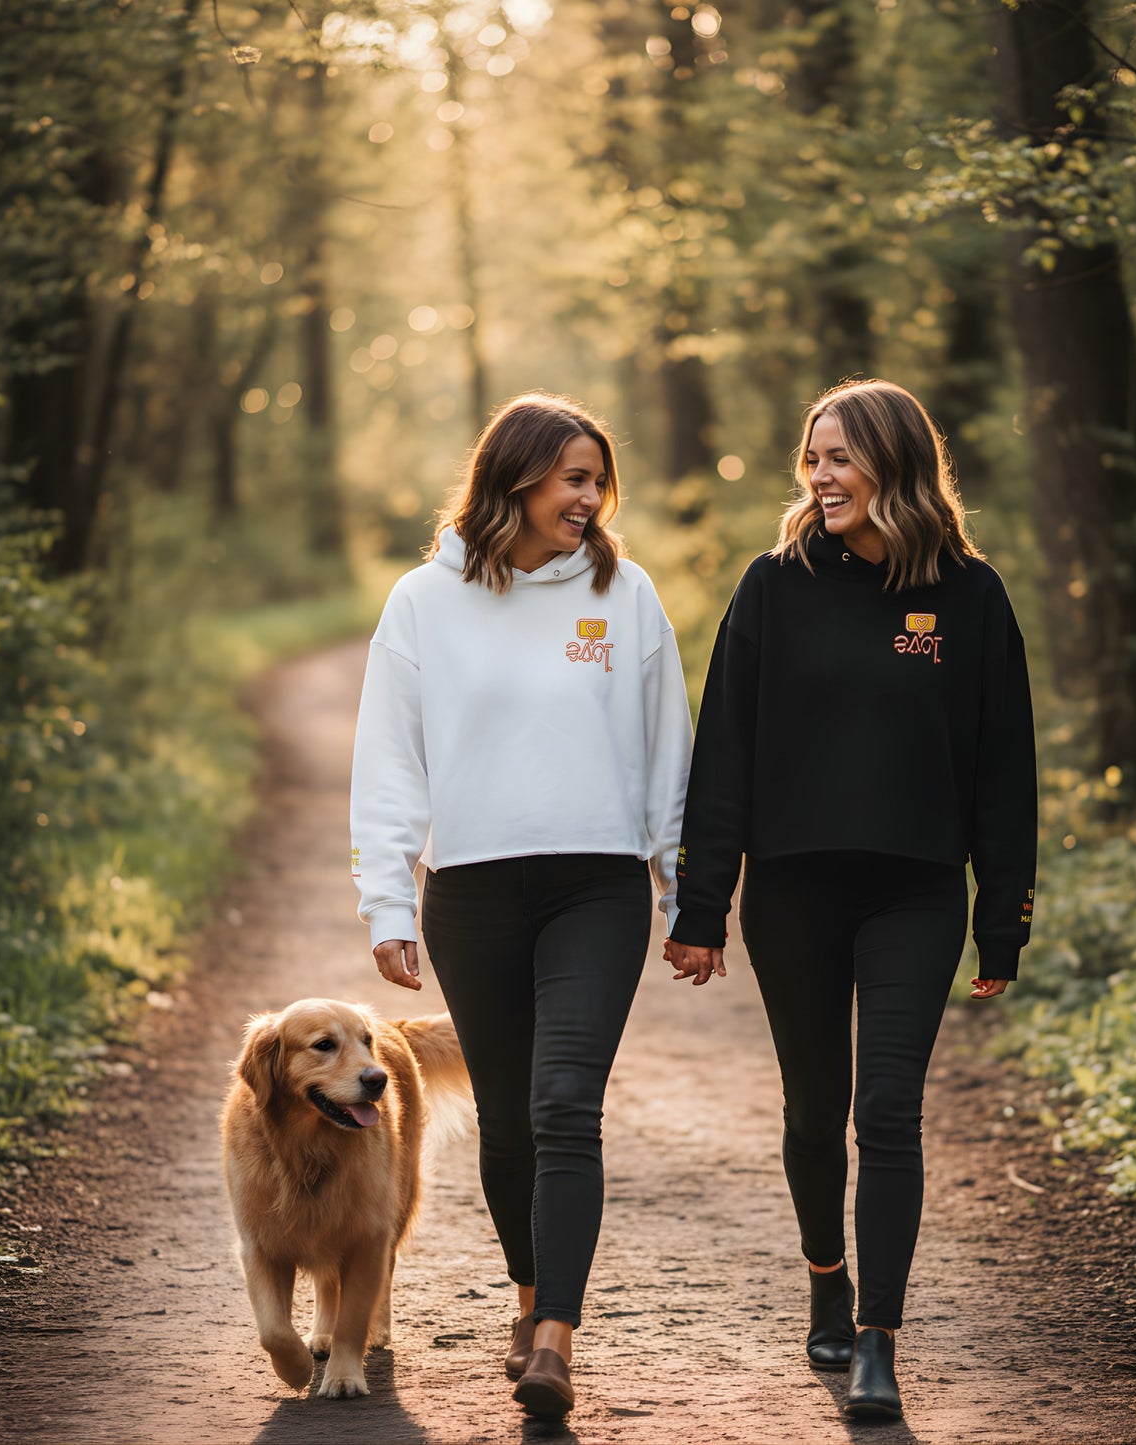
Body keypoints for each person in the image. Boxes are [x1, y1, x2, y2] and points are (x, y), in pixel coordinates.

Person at [664, 378, 1037, 1422]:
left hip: (916, 891)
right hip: (793, 889)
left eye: (837, 457)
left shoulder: (968, 594)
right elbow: (723, 754)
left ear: (893, 463)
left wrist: (1002, 917)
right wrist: (701, 906)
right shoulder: (772, 585)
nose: (817, 476)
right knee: (813, 1106)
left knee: (887, 1110)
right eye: (811, 458)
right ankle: (824, 1273)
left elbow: (1004, 767)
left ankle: (877, 1338)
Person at [350, 392, 692, 1418]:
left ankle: (554, 1339)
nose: (590, 497)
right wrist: (387, 902)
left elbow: (667, 752)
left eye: (598, 481)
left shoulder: (623, 592)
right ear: (515, 478)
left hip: (596, 884)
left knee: (563, 1103)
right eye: (572, 478)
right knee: (506, 1119)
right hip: (473, 889)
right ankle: (529, 1293)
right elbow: (388, 760)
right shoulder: (424, 600)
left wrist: (683, 892)